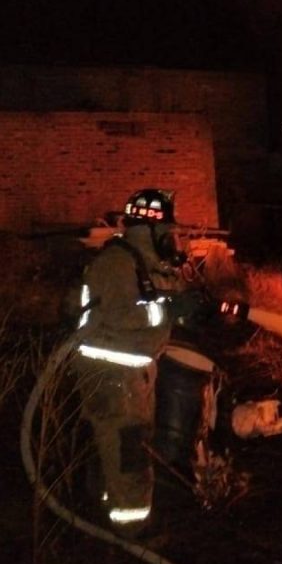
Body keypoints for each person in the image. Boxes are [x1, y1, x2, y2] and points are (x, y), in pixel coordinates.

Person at [72, 188, 193, 535]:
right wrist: (169, 309)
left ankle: (107, 505)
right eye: (169, 232)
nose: (174, 239)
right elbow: (120, 313)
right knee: (130, 453)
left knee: (123, 446)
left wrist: (193, 305)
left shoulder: (145, 262)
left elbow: (162, 299)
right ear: (150, 230)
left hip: (133, 372)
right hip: (111, 375)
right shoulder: (116, 263)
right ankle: (132, 532)